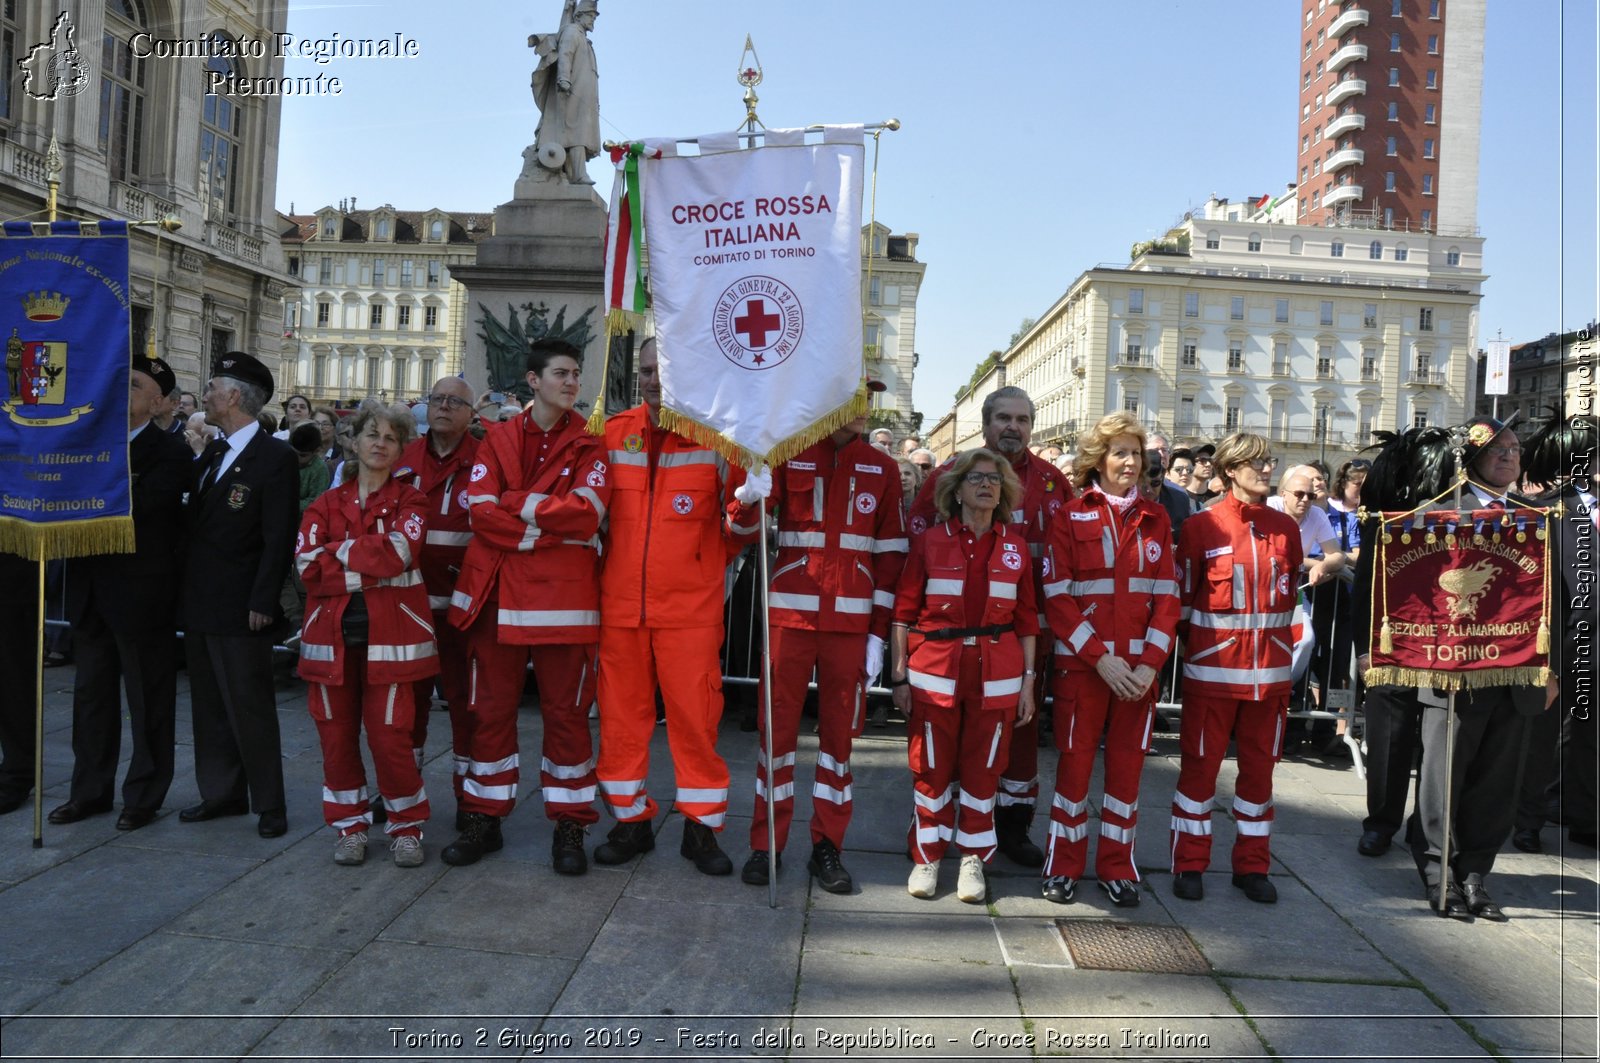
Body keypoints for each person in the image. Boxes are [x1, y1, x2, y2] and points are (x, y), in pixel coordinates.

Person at [593, 337, 764, 875]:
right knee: (622, 723)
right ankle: (630, 823)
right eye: (646, 371)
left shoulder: (718, 440)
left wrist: (752, 500)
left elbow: (741, 532)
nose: (652, 380)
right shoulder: (612, 433)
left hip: (690, 611)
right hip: (621, 610)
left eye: (663, 370)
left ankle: (701, 829)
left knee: (696, 724)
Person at [444, 338, 609, 874]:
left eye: (575, 375)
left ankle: (570, 824)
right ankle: (483, 816)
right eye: (561, 373)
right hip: (497, 596)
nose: (571, 383)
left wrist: (516, 507)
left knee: (567, 717)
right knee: (488, 711)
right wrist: (542, 527)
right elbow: (479, 514)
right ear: (532, 381)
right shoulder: (496, 440)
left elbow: (586, 515)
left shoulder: (592, 445)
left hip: (565, 602)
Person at [741, 397, 907, 893]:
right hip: (789, 618)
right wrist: (748, 495)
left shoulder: (882, 467)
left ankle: (826, 846)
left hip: (850, 626)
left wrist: (878, 632)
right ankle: (765, 842)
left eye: (868, 398)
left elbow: (892, 552)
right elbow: (745, 531)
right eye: (853, 396)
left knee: (839, 744)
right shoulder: (786, 452)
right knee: (776, 737)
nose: (864, 407)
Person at [907, 386, 1071, 868]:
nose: (1013, 427)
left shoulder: (1052, 483)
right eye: (1003, 418)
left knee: (1017, 741)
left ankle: (1013, 829)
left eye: (1022, 419)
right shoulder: (949, 474)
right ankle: (932, 829)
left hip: (1023, 641)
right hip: (951, 643)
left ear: (1032, 427)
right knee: (946, 738)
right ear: (985, 422)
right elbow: (919, 544)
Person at [1393, 417, 1550, 920]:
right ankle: (1438, 871)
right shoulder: (1437, 517)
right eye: (1498, 448)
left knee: (1497, 782)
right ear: (1472, 459)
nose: (1509, 456)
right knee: (1445, 776)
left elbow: (1560, 600)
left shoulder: (1542, 518)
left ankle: (1476, 872)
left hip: (1519, 674)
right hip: (1454, 673)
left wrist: (1555, 670)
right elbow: (1409, 595)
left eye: (1515, 449)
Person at [1038, 413, 1179, 907]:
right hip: (1085, 671)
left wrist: (1149, 666)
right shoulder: (1070, 514)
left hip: (1138, 677)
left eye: (1136, 453)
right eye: (1119, 452)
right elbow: (1057, 595)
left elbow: (1167, 598)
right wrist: (1100, 659)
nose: (1130, 462)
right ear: (1098, 460)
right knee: (1074, 770)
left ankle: (1118, 867)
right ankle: (1063, 865)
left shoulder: (1157, 519)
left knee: (1126, 774)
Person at [47, 356, 190, 831]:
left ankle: (143, 795)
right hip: (90, 590)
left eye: (134, 384)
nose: (122, 390)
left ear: (158, 402)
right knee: (91, 700)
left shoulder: (170, 452)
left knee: (147, 700)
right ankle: (89, 793)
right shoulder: (90, 445)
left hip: (141, 595)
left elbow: (146, 507)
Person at [890, 448, 1038, 903]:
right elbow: (903, 613)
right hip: (936, 671)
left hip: (997, 674)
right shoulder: (930, 542)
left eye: (994, 480)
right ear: (955, 490)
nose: (986, 486)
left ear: (1004, 491)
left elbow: (1028, 619)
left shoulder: (1015, 547)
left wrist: (1029, 681)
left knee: (984, 769)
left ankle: (974, 857)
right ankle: (928, 855)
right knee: (931, 767)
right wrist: (898, 674)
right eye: (976, 478)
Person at [296, 400, 436, 867]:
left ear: (401, 449)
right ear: (352, 441)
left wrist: (338, 553)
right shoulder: (324, 504)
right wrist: (364, 563)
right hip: (330, 643)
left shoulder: (411, 500)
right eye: (371, 434)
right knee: (335, 739)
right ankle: (351, 826)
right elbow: (307, 568)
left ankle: (406, 826)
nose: (380, 443)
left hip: (392, 642)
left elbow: (398, 554)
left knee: (390, 737)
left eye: (390, 437)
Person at [1168, 433, 1302, 904]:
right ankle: (1189, 863)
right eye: (1256, 464)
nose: (1267, 470)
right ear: (1229, 471)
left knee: (1259, 777)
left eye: (1269, 463)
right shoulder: (1201, 527)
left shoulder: (1287, 528)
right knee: (1198, 774)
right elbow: (1182, 606)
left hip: (1271, 681)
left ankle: (1252, 866)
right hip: (1212, 677)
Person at [180, 352, 299, 839]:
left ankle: (269, 802)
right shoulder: (212, 452)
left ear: (233, 395)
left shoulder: (276, 458)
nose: (204, 395)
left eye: (211, 387)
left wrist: (263, 601)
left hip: (242, 604)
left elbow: (278, 537)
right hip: (201, 600)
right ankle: (221, 792)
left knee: (249, 706)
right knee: (208, 705)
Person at [394, 376, 480, 821]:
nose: (443, 407)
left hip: (465, 610)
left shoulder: (485, 460)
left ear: (472, 412)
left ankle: (469, 798)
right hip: (408, 606)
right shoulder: (403, 457)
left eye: (454, 401)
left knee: (468, 706)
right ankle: (402, 792)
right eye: (437, 400)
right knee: (407, 706)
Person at [1517, 414, 1597, 851]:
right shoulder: (1545, 510)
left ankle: (1586, 819)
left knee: (1591, 739)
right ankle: (1527, 821)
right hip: (1557, 645)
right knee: (1540, 740)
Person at [529, 0, 599, 184]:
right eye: (590, 16)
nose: (593, 20)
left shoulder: (583, 37)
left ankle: (573, 171)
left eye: (593, 17)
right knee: (577, 133)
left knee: (579, 132)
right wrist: (563, 79)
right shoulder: (571, 32)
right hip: (570, 91)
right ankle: (578, 174)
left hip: (583, 94)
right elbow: (565, 55)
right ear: (579, 15)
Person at [1189, 445, 1218, 510]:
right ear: (1190, 464)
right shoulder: (1180, 497)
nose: (1208, 464)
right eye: (1202, 460)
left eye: (1210, 460)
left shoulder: (1216, 499)